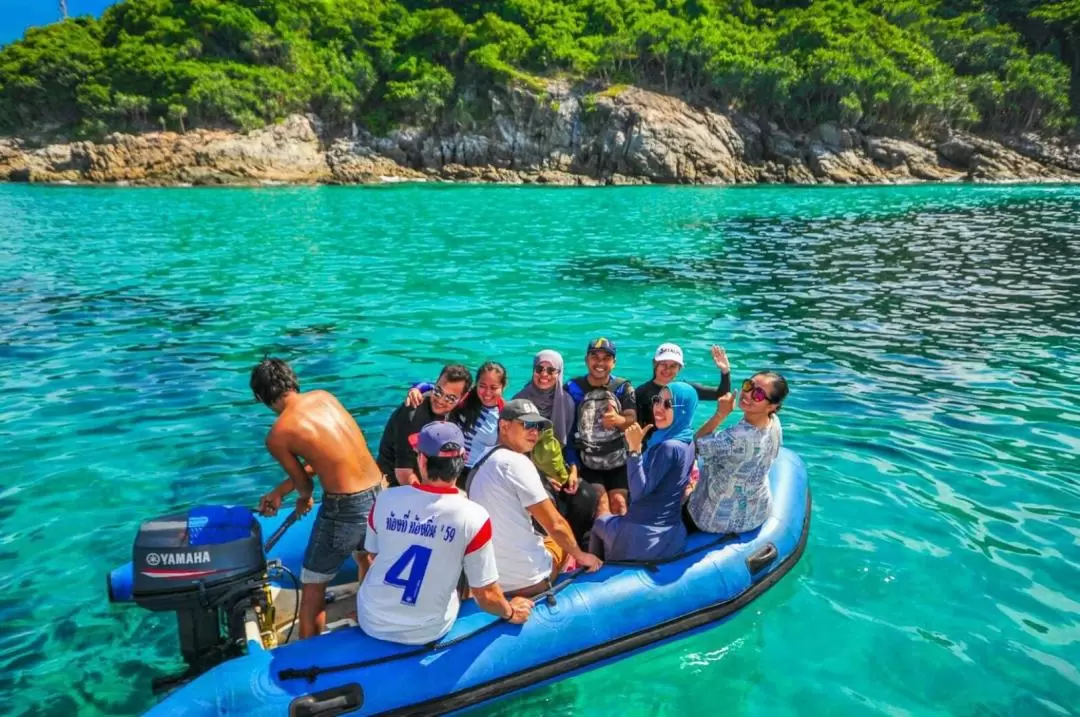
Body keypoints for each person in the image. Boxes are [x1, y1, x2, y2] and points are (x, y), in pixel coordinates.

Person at [357, 422, 532, 645]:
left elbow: (370, 555)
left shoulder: (385, 499)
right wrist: (510, 612)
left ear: (422, 460)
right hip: (427, 630)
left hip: (371, 618)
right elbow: (486, 595)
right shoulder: (474, 516)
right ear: (462, 460)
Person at [251, 357, 383, 640]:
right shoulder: (324, 397)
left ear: (262, 397)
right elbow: (332, 458)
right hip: (378, 490)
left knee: (312, 585)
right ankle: (369, 618)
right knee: (365, 557)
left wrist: (301, 498)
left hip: (345, 506)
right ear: (291, 380)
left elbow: (306, 485)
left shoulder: (278, 434)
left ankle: (310, 660)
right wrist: (282, 491)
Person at [467, 399, 603, 596]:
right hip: (528, 580)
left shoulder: (481, 460)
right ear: (504, 426)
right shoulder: (516, 462)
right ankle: (570, 567)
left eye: (538, 427)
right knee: (560, 540)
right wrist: (582, 556)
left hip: (488, 579)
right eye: (527, 425)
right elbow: (555, 524)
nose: (535, 432)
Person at [590, 383, 697, 561]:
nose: (658, 408)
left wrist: (634, 450)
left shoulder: (667, 447)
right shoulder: (687, 440)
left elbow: (639, 492)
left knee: (600, 523)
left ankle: (592, 570)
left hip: (643, 536)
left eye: (668, 404)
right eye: (657, 400)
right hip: (672, 533)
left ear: (683, 410)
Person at [513, 349, 599, 546]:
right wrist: (543, 477)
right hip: (527, 467)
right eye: (539, 369)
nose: (544, 375)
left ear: (559, 373)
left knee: (586, 495)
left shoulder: (567, 402)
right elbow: (515, 449)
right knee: (546, 498)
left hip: (557, 464)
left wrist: (573, 471)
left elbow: (569, 443)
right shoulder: (519, 404)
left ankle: (570, 547)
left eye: (551, 370)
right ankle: (548, 547)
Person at [686, 372, 789, 534]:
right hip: (758, 512)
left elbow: (695, 444)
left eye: (758, 394)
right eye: (749, 385)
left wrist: (721, 414)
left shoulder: (735, 438)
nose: (748, 394)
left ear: (772, 406)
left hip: (716, 519)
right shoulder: (774, 422)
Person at [403, 362, 507, 488]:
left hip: (477, 473)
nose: (487, 393)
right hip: (448, 464)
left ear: (503, 386)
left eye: (493, 387)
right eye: (482, 386)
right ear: (476, 384)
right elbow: (436, 387)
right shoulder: (465, 399)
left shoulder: (504, 415)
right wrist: (416, 389)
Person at [565, 338, 637, 516]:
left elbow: (632, 420)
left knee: (620, 505)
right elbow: (568, 431)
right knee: (601, 506)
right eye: (595, 356)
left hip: (617, 459)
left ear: (614, 362)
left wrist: (617, 420)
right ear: (586, 360)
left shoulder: (623, 387)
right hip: (587, 460)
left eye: (606, 358)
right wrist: (573, 466)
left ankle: (620, 543)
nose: (600, 363)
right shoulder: (572, 388)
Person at [377, 364, 472, 486]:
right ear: (435, 384)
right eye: (438, 391)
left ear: (462, 398)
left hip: (429, 474)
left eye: (451, 398)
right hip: (394, 481)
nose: (441, 400)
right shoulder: (413, 412)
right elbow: (403, 472)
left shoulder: (458, 411)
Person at [635, 343, 731, 433]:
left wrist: (725, 371)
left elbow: (722, 394)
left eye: (673, 366)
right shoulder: (641, 392)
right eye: (663, 364)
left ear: (679, 368)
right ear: (654, 364)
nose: (667, 369)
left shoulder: (686, 390)